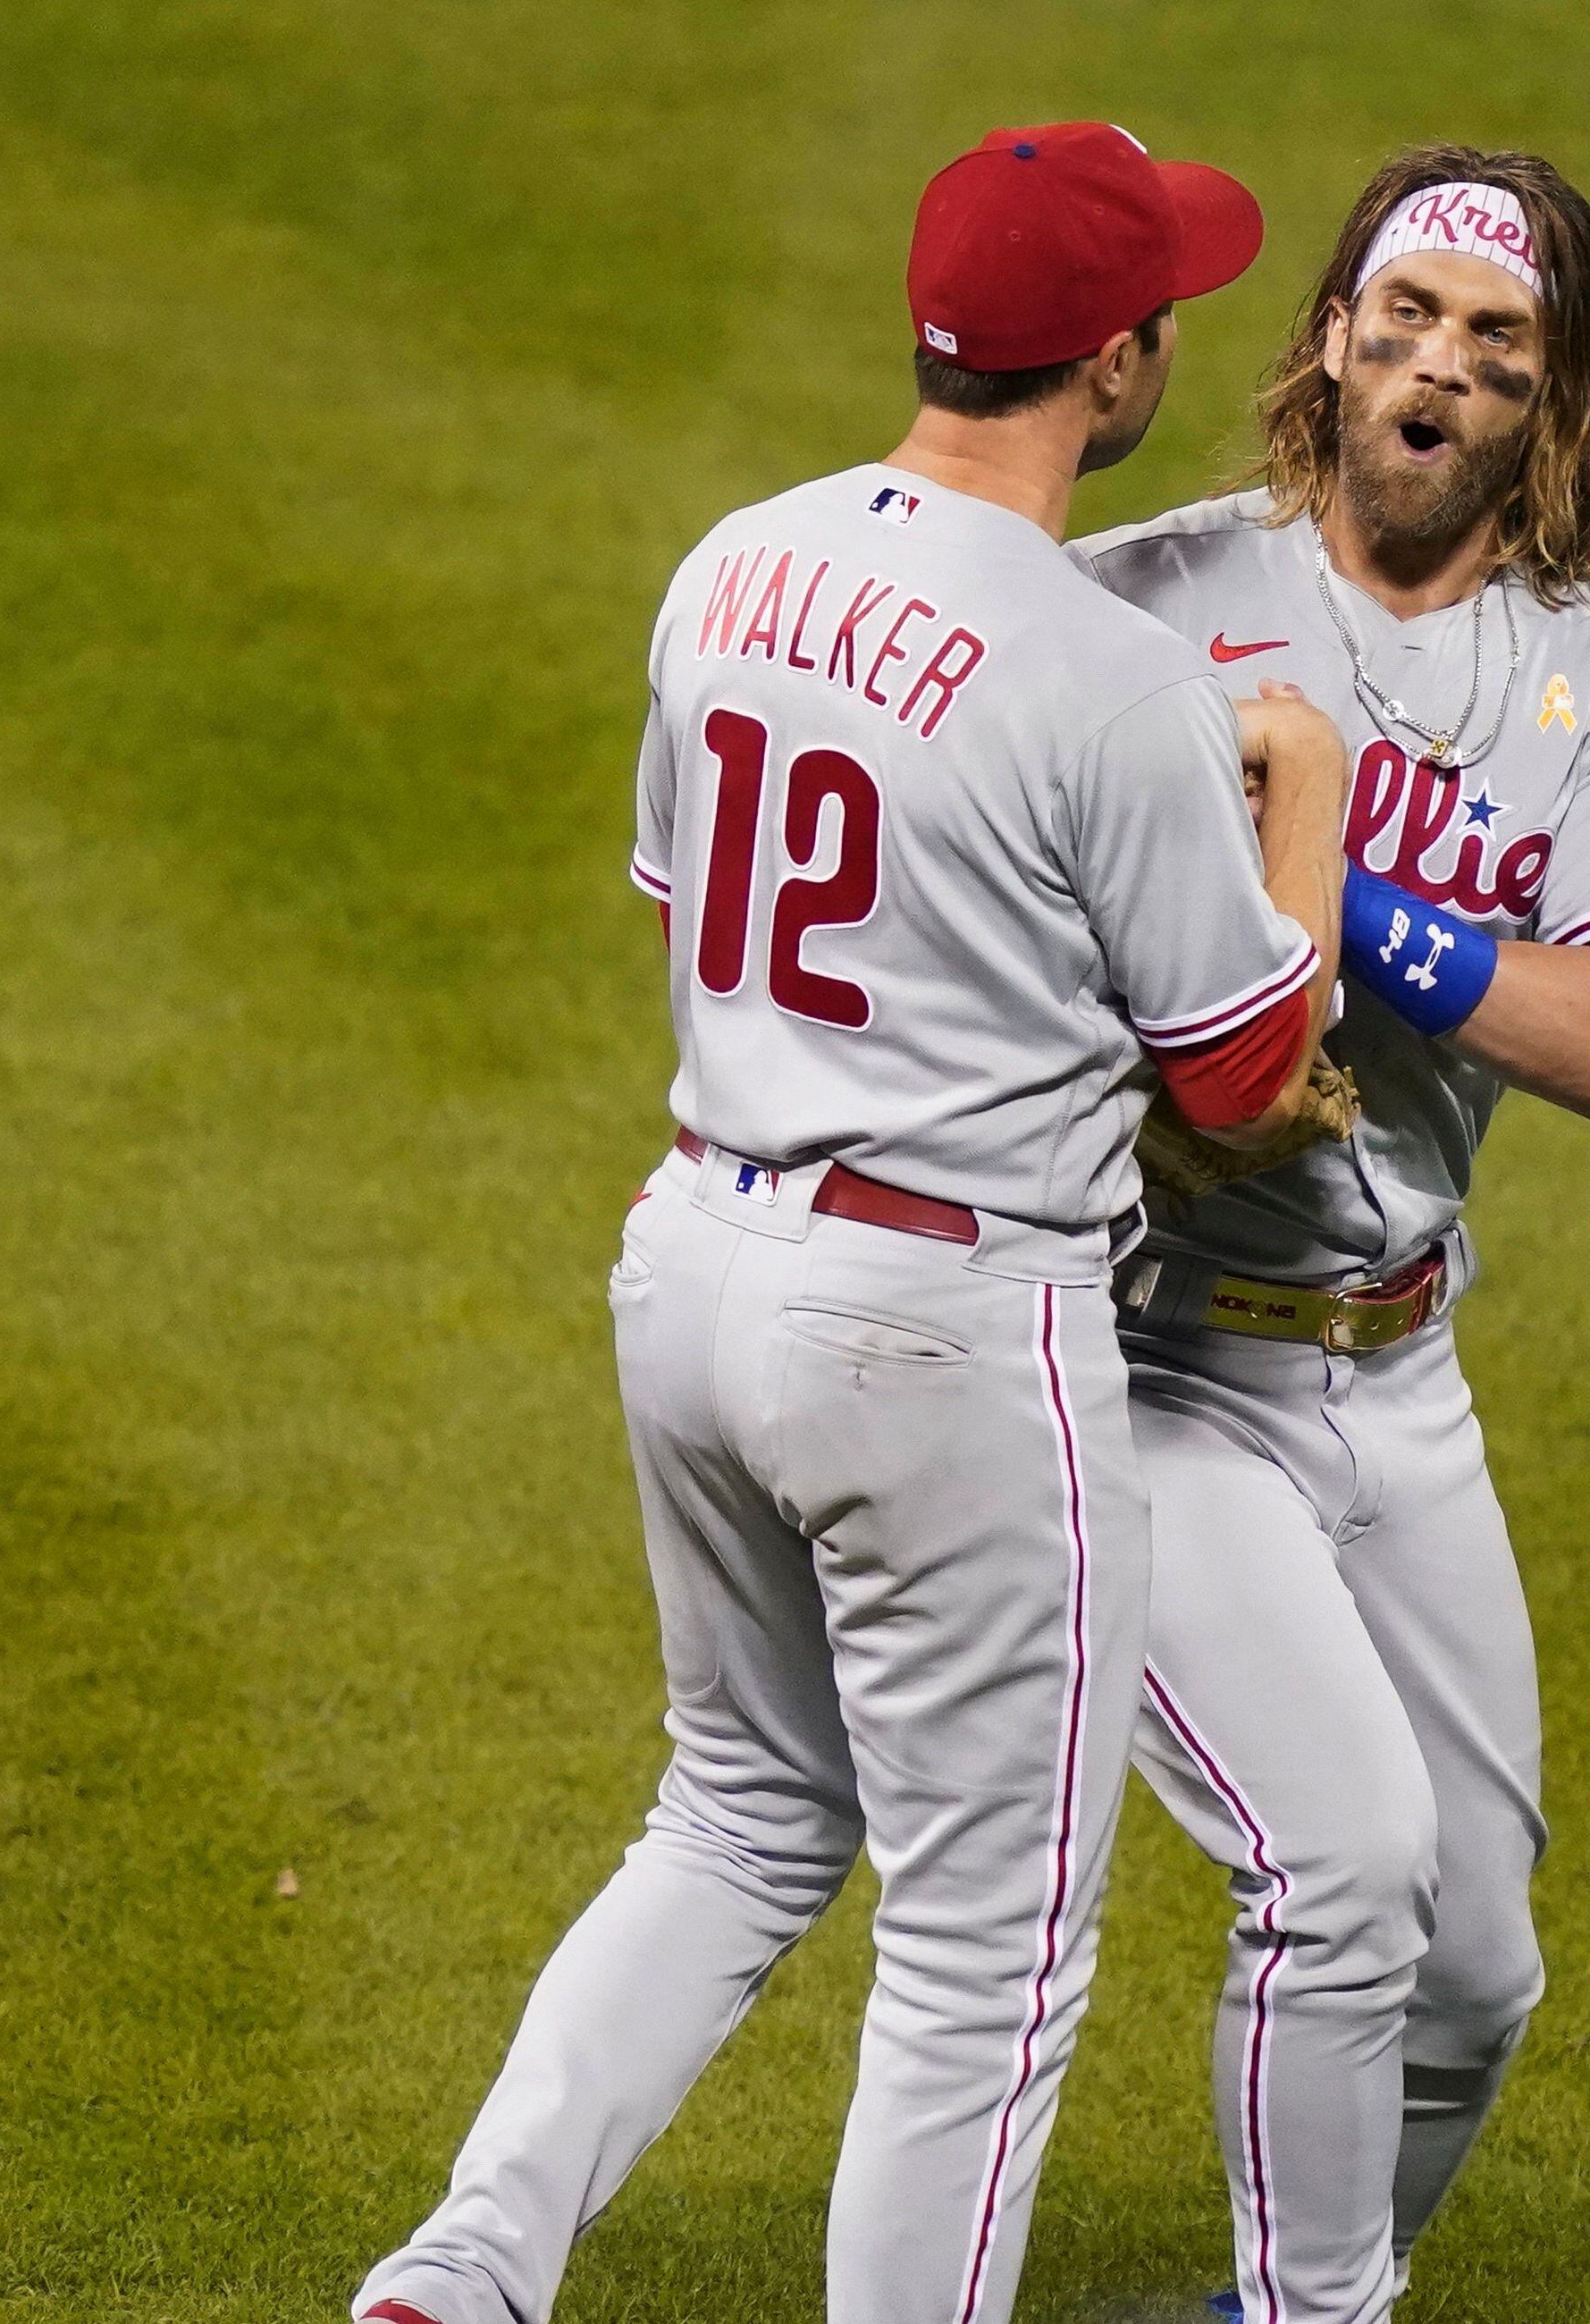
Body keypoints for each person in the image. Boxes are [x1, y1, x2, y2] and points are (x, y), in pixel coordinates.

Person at [353, 124, 1355, 2324]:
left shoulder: (733, 564)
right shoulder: (1100, 676)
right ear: (1113, 366)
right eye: (1161, 310)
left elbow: (679, 905)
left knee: (736, 1809)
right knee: (988, 1943)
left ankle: (461, 2268)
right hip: (944, 1323)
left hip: (694, 1253)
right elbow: (1241, 1077)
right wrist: (1310, 815)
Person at [1076, 148, 1590, 2324]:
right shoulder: (1137, 596)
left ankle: (1302, 2295)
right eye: (1406, 314)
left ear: (1557, 399)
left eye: (1498, 342)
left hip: (1399, 1374)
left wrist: (1341, 897)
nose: (1439, 365)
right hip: (1157, 1358)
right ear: (1333, 336)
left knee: (1473, 1972)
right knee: (1338, 1870)